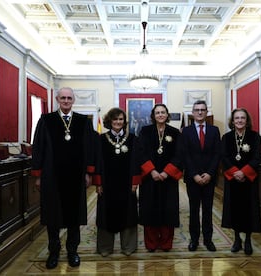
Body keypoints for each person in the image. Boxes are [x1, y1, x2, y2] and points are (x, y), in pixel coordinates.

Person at [31, 87, 98, 269]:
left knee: (74, 217)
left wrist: (88, 173)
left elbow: (89, 148)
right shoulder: (46, 120)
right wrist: (38, 175)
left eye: (69, 98)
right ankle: (54, 251)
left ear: (73, 100)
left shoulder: (83, 121)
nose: (66, 101)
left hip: (76, 177)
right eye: (63, 98)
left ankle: (72, 251)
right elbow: (38, 147)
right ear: (57, 99)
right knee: (53, 216)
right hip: (52, 176)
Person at [134, 103, 183, 252]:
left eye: (163, 112)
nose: (160, 115)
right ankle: (151, 242)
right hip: (150, 178)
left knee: (169, 210)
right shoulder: (145, 131)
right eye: (157, 113)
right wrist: (153, 171)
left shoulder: (175, 133)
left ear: (167, 115)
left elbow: (179, 155)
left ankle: (167, 242)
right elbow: (140, 153)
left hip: (169, 179)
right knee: (149, 209)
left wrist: (167, 172)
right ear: (153, 116)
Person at [94, 107, 138, 257]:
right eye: (115, 119)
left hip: (127, 185)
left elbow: (136, 162)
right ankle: (105, 247)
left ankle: (128, 247)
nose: (118, 122)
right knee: (105, 214)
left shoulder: (132, 139)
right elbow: (97, 162)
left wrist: (135, 182)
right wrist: (98, 183)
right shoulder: (100, 139)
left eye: (121, 119)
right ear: (109, 121)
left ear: (124, 122)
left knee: (129, 214)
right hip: (107, 185)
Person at [180, 100, 222, 252]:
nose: (199, 112)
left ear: (206, 112)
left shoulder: (214, 130)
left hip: (209, 178)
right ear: (192, 112)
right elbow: (185, 155)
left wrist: (210, 173)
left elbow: (217, 154)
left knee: (207, 210)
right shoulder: (186, 131)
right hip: (193, 178)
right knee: (193, 210)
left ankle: (208, 239)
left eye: (202, 110)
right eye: (197, 110)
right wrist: (194, 175)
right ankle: (194, 239)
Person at [221, 108, 261, 255]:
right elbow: (224, 157)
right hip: (232, 180)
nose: (239, 120)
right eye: (236, 118)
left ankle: (248, 239)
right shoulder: (226, 137)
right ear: (232, 121)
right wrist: (235, 172)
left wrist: (243, 172)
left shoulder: (254, 136)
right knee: (235, 209)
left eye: (242, 118)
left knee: (248, 209)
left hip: (249, 180)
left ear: (247, 120)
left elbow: (256, 157)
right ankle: (237, 239)